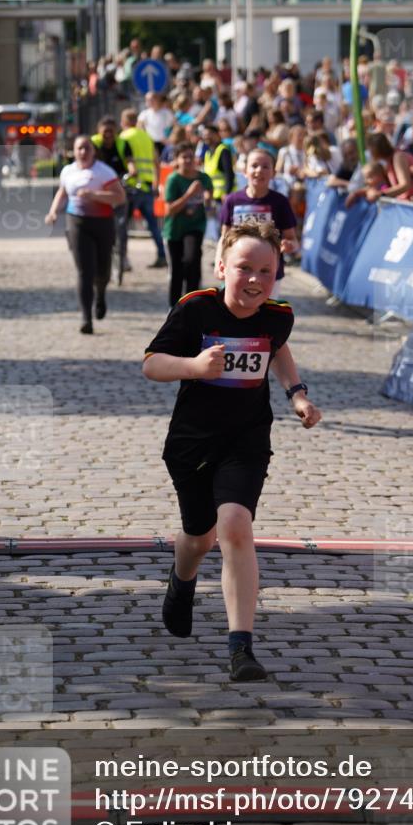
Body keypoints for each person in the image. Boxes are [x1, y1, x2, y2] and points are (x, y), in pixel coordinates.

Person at [143, 220, 321, 682]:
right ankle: (182, 581)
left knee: (235, 525)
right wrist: (194, 366)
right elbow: (152, 364)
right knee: (199, 538)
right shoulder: (195, 310)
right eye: (245, 268)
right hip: (192, 442)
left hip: (246, 438)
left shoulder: (278, 315)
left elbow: (277, 349)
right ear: (222, 267)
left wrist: (296, 394)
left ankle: (241, 647)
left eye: (267, 270)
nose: (256, 280)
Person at [45, 135, 126, 333]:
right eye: (79, 148)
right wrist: (53, 211)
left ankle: (101, 294)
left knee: (103, 270)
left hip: (102, 223)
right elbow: (62, 192)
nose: (83, 152)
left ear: (93, 151)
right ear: (74, 151)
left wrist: (94, 195)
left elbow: (119, 197)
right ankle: (86, 318)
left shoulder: (103, 172)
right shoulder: (68, 171)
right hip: (77, 222)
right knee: (84, 271)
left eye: (86, 148)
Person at [219, 148, 300, 295]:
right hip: (237, 272)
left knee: (266, 316)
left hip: (269, 274)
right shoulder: (232, 200)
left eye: (265, 166)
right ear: (245, 171)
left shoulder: (280, 202)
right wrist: (219, 262)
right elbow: (224, 238)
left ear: (274, 173)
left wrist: (289, 245)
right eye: (254, 165)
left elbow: (293, 240)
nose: (259, 170)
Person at [163, 143, 212, 306]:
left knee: (192, 261)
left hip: (195, 226)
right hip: (175, 230)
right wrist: (189, 194)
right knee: (177, 270)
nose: (188, 160)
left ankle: (192, 305)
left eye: (191, 156)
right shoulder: (173, 179)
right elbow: (169, 210)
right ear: (177, 160)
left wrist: (207, 199)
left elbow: (208, 199)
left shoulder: (203, 178)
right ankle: (174, 307)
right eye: (184, 157)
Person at [119, 108, 167, 268]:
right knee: (153, 225)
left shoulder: (124, 136)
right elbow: (156, 162)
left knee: (123, 224)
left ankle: (123, 260)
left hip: (130, 186)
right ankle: (162, 255)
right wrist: (155, 183)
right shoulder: (147, 137)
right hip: (146, 186)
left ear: (124, 122)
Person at [91, 116, 130, 275]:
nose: (108, 134)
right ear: (99, 131)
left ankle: (123, 255)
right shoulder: (93, 145)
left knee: (121, 227)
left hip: (118, 190)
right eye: (105, 131)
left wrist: (132, 171)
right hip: (100, 192)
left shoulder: (122, 144)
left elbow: (130, 161)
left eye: (111, 131)